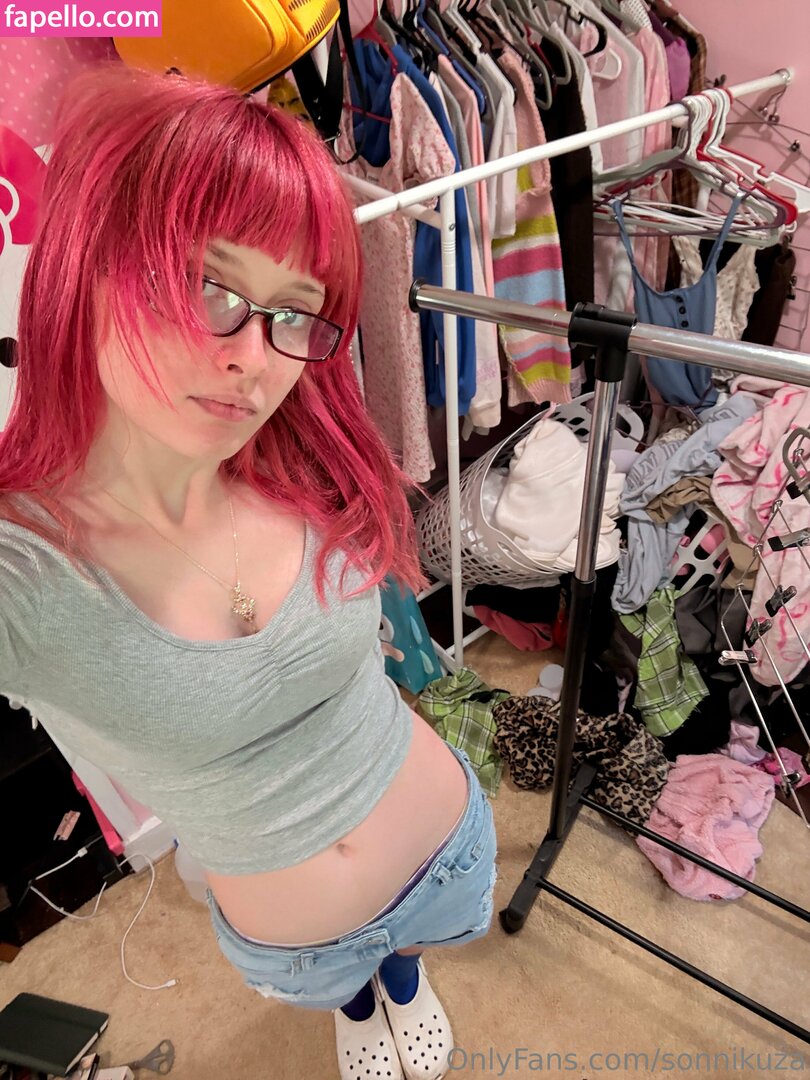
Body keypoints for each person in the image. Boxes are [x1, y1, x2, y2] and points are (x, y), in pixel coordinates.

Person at [0, 65, 498, 1080]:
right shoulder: (25, 572)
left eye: (293, 313)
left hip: (443, 843)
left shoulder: (305, 456)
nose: (255, 360)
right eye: (208, 287)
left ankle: (404, 979)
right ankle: (359, 997)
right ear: (88, 267)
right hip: (297, 938)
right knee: (347, 981)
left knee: (411, 953)